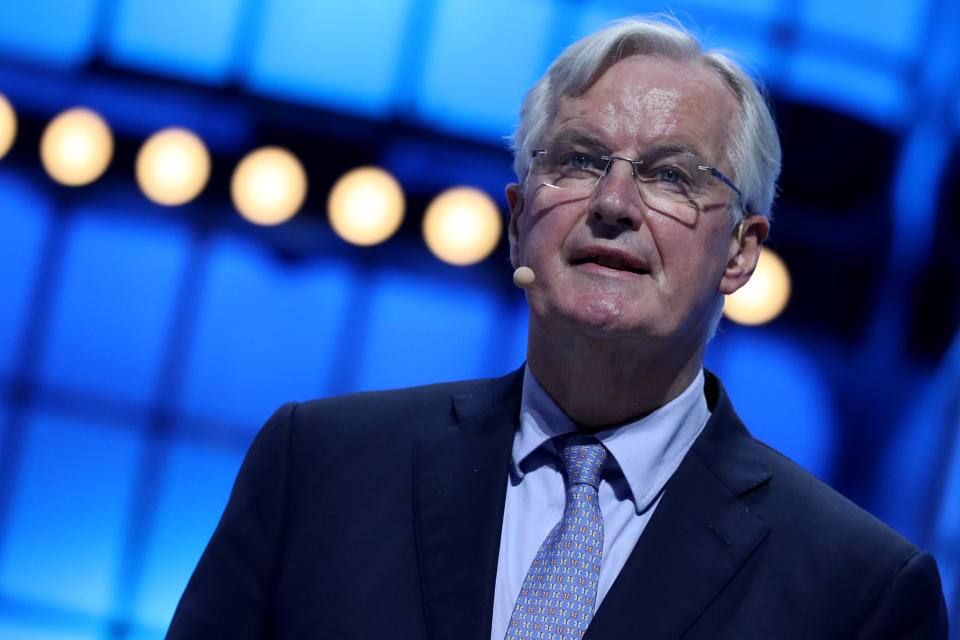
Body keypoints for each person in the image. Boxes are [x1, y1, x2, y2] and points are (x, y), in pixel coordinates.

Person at [166, 16, 949, 640]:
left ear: (741, 252)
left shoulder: (859, 593)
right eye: (577, 161)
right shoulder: (320, 468)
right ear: (517, 223)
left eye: (672, 175)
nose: (613, 204)